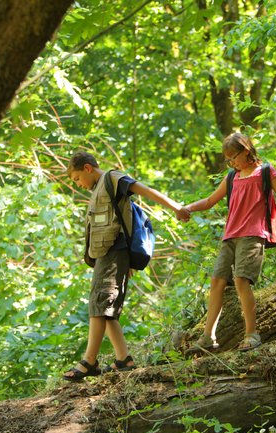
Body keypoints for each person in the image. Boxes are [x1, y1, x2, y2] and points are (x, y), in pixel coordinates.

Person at [178, 133, 276, 351]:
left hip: (253, 234)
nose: (231, 162)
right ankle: (208, 337)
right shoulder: (232, 177)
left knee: (241, 280)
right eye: (228, 159)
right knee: (217, 281)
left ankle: (252, 334)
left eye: (233, 157)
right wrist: (188, 208)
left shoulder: (266, 172)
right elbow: (210, 200)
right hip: (230, 236)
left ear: (245, 151)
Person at [63, 151, 189, 381]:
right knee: (104, 306)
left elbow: (145, 191)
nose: (79, 185)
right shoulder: (98, 189)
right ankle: (124, 359)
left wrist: (176, 207)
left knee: (101, 303)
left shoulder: (112, 179)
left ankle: (89, 361)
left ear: (88, 168)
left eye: (77, 178)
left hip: (114, 251)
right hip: (106, 254)